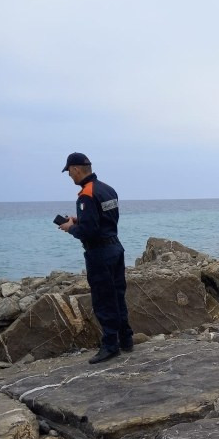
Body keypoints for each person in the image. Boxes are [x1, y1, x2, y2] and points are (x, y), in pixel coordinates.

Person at [55, 152, 133, 363]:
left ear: (76, 169)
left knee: (103, 299)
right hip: (115, 248)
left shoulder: (86, 194)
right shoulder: (108, 190)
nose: (69, 176)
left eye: (69, 172)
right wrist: (79, 219)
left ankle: (110, 345)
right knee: (117, 295)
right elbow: (104, 220)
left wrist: (71, 227)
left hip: (99, 253)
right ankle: (126, 339)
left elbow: (89, 231)